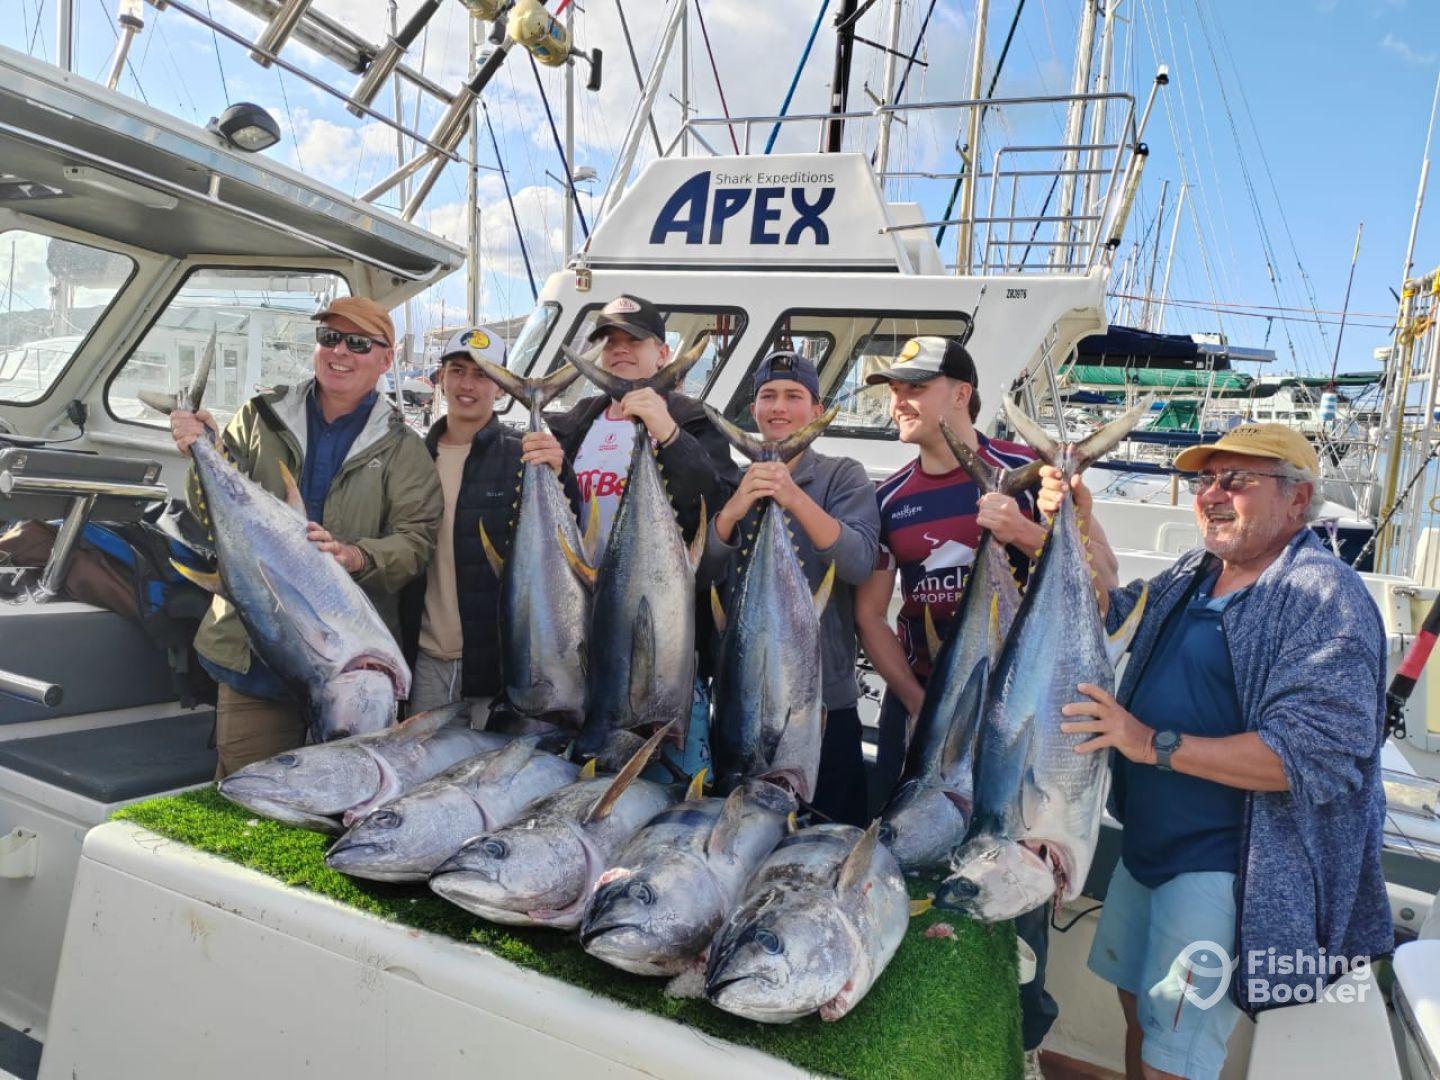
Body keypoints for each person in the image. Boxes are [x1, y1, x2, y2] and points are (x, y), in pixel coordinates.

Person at [1039, 423, 1392, 1080]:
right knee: (1141, 1018)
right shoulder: (1198, 573)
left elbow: (1306, 759)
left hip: (1223, 869)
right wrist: (1079, 521)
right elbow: (1112, 611)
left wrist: (1146, 743)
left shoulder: (1320, 596)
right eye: (1205, 480)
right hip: (1147, 854)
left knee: (1178, 1053)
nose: (1213, 495)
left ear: (1297, 499)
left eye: (1237, 480)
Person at [852, 335, 1057, 1075]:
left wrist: (1028, 532)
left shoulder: (1027, 478)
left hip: (1017, 716)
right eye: (894, 389)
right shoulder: (890, 498)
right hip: (922, 710)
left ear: (961, 394)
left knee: (1016, 857)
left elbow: (1089, 581)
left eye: (916, 387)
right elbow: (872, 614)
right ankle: (903, 979)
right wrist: (913, 701)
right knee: (905, 842)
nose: (898, 401)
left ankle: (1024, 1027)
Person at [170, 296, 442, 777]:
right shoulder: (259, 415)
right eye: (329, 338)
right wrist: (203, 451)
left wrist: (357, 556)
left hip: (345, 664)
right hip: (253, 652)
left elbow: (416, 543)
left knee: (337, 796)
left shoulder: (403, 448)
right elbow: (206, 511)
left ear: (386, 359)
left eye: (359, 343)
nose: (340, 352)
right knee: (248, 790)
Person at [526, 294, 741, 772]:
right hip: (582, 624)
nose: (619, 351)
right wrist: (556, 469)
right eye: (610, 342)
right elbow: (567, 517)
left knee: (665, 768)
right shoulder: (576, 423)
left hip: (661, 626)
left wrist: (667, 434)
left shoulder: (693, 421)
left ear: (663, 355)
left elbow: (718, 506)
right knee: (592, 767)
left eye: (634, 341)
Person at [698, 352, 880, 825]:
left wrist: (790, 495)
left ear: (816, 412)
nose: (779, 407)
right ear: (754, 411)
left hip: (822, 700)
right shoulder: (732, 483)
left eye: (794, 397)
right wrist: (737, 506)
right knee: (745, 831)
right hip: (741, 696)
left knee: (829, 837)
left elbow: (860, 563)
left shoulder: (844, 475)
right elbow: (699, 574)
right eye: (768, 397)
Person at [399, 327, 579, 723]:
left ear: (500, 388)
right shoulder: (411, 457)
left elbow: (568, 541)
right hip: (424, 660)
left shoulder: (523, 455)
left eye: (483, 375)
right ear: (440, 378)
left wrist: (562, 473)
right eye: (458, 370)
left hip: (495, 668)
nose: (468, 384)